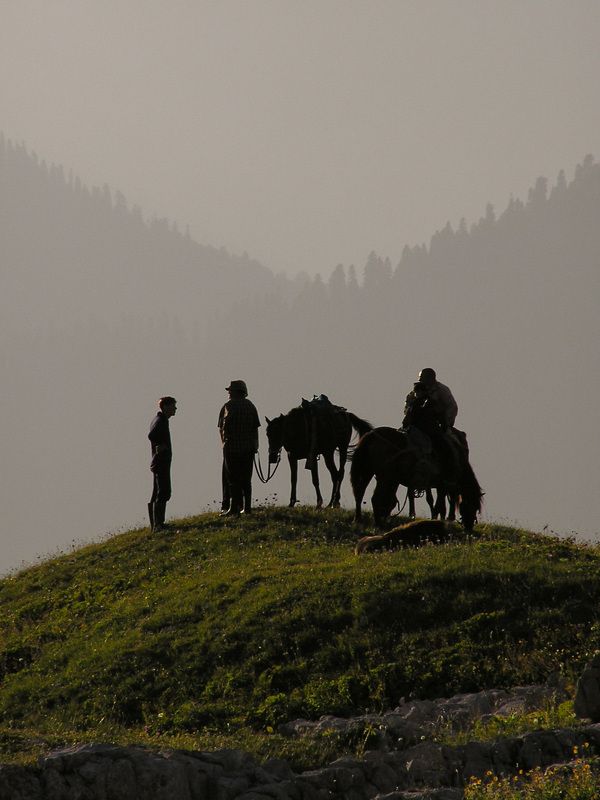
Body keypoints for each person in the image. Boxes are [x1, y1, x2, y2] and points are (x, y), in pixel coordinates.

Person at [218, 380, 260, 516]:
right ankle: (247, 508)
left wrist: (224, 444)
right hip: (248, 448)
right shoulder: (250, 406)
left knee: (233, 479)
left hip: (232, 449)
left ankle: (234, 508)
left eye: (230, 391)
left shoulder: (228, 406)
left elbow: (223, 428)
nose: (229, 393)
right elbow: (255, 428)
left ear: (236, 392)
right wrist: (255, 445)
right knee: (246, 479)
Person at [148, 396, 177, 532]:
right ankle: (158, 524)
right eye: (173, 406)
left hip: (159, 462)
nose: (175, 408)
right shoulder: (161, 421)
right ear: (165, 407)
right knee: (163, 492)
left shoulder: (160, 420)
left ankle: (156, 524)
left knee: (158, 492)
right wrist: (161, 445)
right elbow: (152, 435)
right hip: (161, 462)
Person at [403, 368, 458, 432]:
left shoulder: (441, 390)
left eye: (422, 378)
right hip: (417, 422)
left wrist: (446, 423)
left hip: (436, 422)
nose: (420, 380)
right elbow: (408, 405)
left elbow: (452, 407)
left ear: (430, 378)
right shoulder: (416, 390)